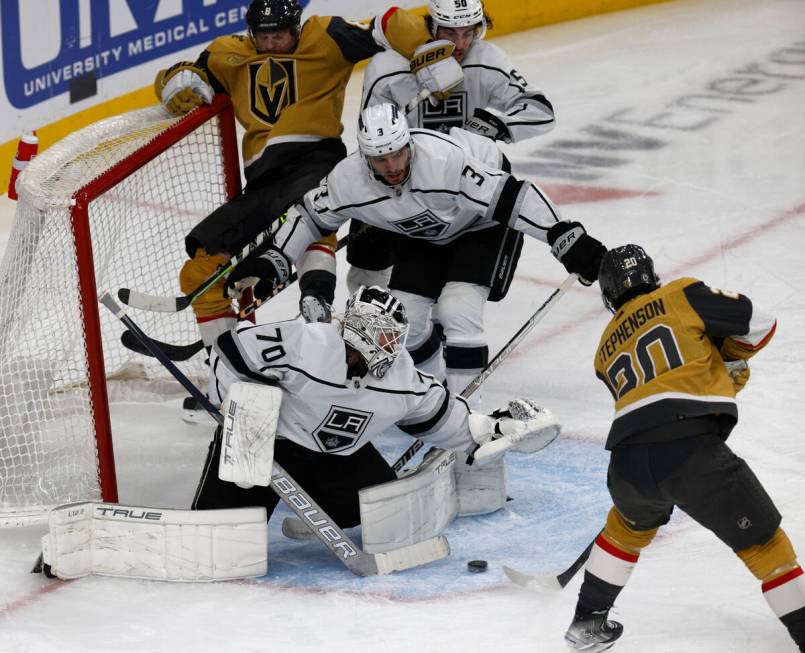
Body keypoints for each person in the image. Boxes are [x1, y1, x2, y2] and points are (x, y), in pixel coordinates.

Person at [224, 102, 606, 408]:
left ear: (409, 143)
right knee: (402, 324)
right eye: (380, 159)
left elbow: (513, 197)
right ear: (364, 158)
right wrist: (271, 260)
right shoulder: (347, 179)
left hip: (481, 225)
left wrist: (564, 237)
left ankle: (467, 416)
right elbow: (308, 216)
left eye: (398, 153)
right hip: (423, 230)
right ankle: (431, 400)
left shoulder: (442, 161)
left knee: (458, 312)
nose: (392, 166)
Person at [153, 0, 465, 350]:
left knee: (312, 208)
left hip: (316, 160)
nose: (270, 44)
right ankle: (222, 361)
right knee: (199, 267)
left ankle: (316, 301)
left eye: (280, 36)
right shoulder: (227, 54)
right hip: (264, 183)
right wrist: (175, 83)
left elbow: (387, 22)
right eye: (262, 37)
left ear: (296, 28)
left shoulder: (325, 37)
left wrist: (429, 53)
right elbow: (187, 75)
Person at [563, 244, 804, 652]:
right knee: (765, 546)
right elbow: (760, 324)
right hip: (689, 451)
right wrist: (726, 360)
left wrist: (712, 373)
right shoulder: (680, 294)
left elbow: (655, 388)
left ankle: (586, 623)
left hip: (627, 465)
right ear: (652, 278)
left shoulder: (603, 350)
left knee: (623, 532)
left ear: (608, 296)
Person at [194, 285, 554, 528]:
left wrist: (492, 430)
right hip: (267, 443)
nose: (389, 346)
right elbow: (230, 349)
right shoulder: (305, 344)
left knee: (370, 512)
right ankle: (239, 489)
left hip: (334, 457)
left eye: (393, 337)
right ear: (354, 329)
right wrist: (243, 425)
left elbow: (441, 415)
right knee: (223, 528)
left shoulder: (401, 376)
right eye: (381, 335)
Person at [347, 0, 556, 295]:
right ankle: (369, 322)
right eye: (450, 32)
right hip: (397, 178)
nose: (460, 44)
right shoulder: (387, 68)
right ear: (431, 26)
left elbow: (540, 110)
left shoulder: (488, 59)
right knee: (366, 260)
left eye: (468, 33)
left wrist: (498, 125)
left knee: (441, 279)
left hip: (459, 183)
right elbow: (369, 139)